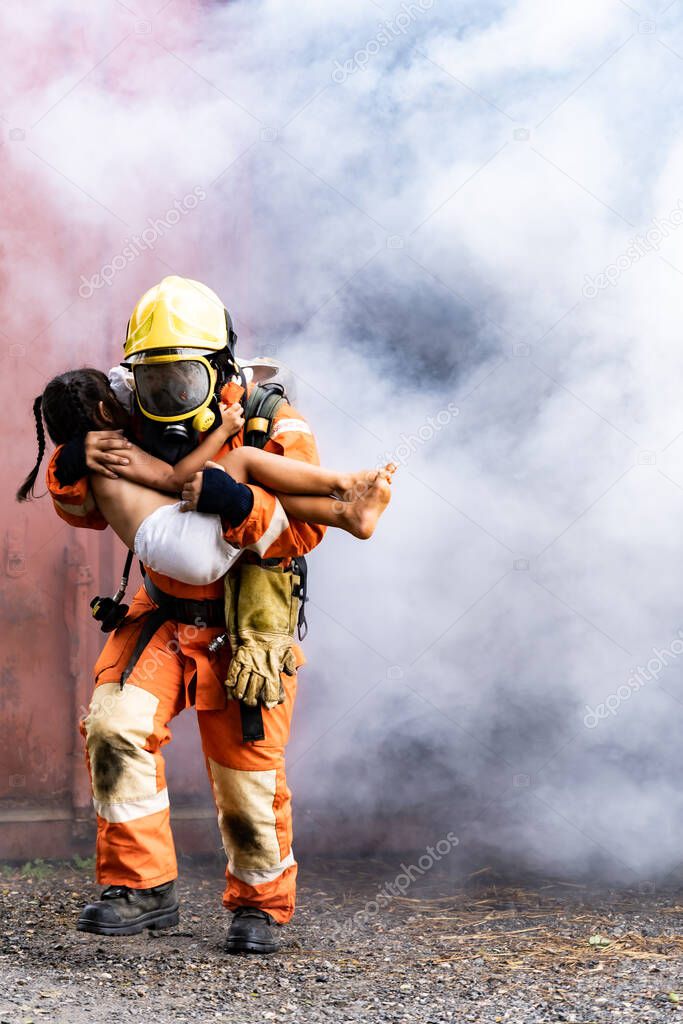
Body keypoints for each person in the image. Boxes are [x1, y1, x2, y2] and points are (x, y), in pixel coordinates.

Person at [17, 276, 351, 952]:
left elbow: (302, 532)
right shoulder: (125, 416)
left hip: (246, 625)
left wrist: (236, 502)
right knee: (114, 726)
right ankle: (141, 889)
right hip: (163, 612)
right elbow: (81, 512)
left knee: (247, 775)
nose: (170, 397)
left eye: (185, 380)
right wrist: (74, 457)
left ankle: (261, 904)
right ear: (135, 375)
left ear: (221, 369)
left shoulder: (269, 420)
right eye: (157, 379)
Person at [18, 368, 394, 584]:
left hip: (175, 554)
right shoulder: (110, 449)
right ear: (103, 411)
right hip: (180, 541)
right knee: (246, 459)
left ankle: (347, 514)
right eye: (115, 401)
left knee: (255, 487)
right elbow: (172, 478)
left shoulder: (85, 465)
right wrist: (223, 429)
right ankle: (343, 484)